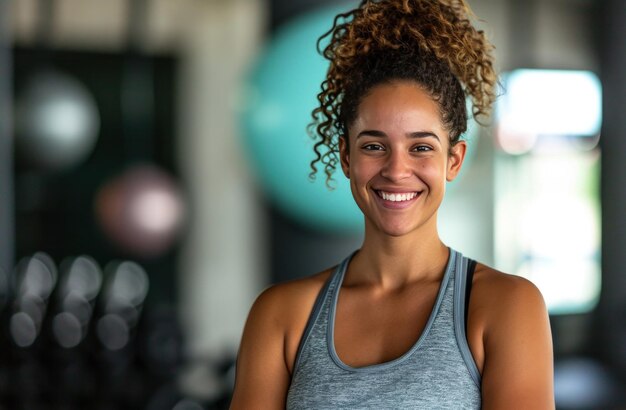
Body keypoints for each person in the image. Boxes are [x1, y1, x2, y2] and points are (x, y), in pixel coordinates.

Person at [230, 0, 554, 408]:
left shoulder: (507, 306)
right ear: (346, 157)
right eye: (374, 146)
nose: (396, 170)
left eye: (421, 146)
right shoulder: (280, 314)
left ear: (453, 160)